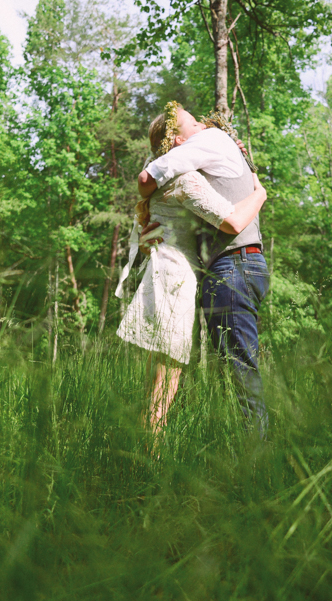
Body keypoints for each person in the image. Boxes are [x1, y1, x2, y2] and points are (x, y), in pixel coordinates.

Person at [115, 102, 267, 434]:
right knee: (166, 385)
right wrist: (261, 192)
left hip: (176, 277)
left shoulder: (175, 176)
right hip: (177, 281)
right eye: (194, 124)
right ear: (180, 145)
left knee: (163, 385)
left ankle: (148, 462)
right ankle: (153, 469)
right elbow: (233, 220)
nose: (204, 127)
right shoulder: (184, 180)